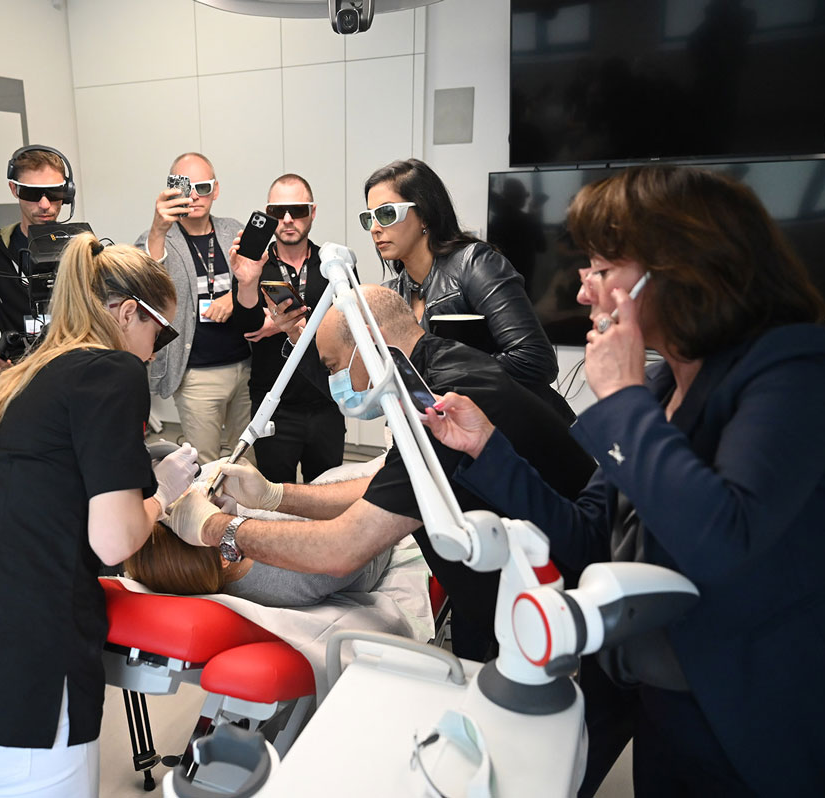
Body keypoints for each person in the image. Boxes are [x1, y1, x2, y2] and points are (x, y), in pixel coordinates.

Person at [422, 165, 825, 796]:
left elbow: (721, 541)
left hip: (768, 710)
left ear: (678, 270)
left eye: (602, 269)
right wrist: (488, 447)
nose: (584, 290)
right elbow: (588, 537)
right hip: (666, 699)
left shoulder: (794, 372)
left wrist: (622, 399)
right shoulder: (663, 387)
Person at [0, 234, 198, 798]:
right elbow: (113, 542)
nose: (156, 352)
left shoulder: (31, 372)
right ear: (128, 312)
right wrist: (165, 496)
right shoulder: (113, 371)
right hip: (21, 683)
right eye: (161, 332)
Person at [167, 285, 594, 661]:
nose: (334, 381)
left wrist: (218, 528)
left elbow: (340, 551)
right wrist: (274, 496)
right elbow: (391, 484)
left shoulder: (444, 404)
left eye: (333, 366)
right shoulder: (440, 366)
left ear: (371, 343)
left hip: (559, 598)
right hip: (522, 586)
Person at [362, 159, 571, 420]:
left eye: (386, 213)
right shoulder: (392, 294)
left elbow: (535, 360)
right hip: (452, 435)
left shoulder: (474, 264)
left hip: (521, 430)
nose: (374, 228)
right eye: (369, 217)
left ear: (424, 214)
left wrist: (440, 371)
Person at [136, 152, 256, 465]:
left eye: (203, 188)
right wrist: (158, 230)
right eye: (186, 188)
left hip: (244, 365)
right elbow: (145, 287)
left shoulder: (233, 230)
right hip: (195, 373)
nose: (195, 196)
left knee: (247, 458)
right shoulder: (158, 237)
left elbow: (257, 277)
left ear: (216, 190)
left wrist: (233, 297)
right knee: (205, 464)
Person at [230, 174, 345, 483]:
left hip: (326, 400)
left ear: (313, 212)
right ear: (268, 215)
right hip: (273, 403)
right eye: (278, 211)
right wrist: (247, 283)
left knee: (327, 494)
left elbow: (347, 327)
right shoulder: (255, 264)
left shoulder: (332, 264)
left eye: (298, 210)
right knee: (275, 497)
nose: (288, 219)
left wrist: (282, 325)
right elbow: (249, 327)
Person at [0, 145, 74, 374]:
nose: (45, 204)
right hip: (20, 376)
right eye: (32, 193)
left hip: (81, 372)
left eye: (54, 192)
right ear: (14, 189)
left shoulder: (83, 247)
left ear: (68, 192)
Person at [125, 520, 390, 608]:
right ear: (224, 556)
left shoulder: (207, 570)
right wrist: (232, 523)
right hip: (367, 546)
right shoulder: (295, 575)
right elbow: (364, 537)